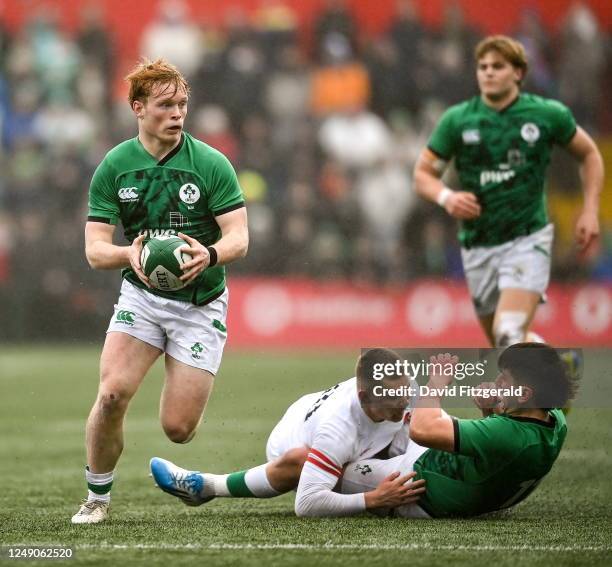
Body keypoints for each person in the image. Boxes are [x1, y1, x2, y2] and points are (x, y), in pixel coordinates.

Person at [71, 59, 248, 524]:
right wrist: (132, 254)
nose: (178, 113)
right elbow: (94, 250)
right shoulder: (115, 166)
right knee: (111, 395)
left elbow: (239, 238)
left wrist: (208, 255)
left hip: (200, 303)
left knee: (178, 429)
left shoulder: (210, 163)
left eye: (183, 104)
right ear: (138, 108)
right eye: (166, 105)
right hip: (141, 299)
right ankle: (97, 498)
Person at [413, 35, 604, 347]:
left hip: (527, 239)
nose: (488, 72)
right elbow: (423, 175)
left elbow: (590, 154)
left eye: (497, 66)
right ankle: (557, 368)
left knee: (509, 330)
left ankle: (550, 381)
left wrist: (590, 210)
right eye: (483, 66)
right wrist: (447, 197)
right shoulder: (457, 120)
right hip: (477, 246)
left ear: (518, 73)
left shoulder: (547, 114)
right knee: (504, 346)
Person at [150, 348, 425, 516]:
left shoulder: (404, 389)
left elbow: (424, 429)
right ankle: (207, 486)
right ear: (364, 397)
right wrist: (373, 499)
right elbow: (307, 504)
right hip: (292, 443)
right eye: (393, 396)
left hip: (333, 423)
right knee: (306, 461)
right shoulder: (338, 429)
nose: (403, 400)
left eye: (404, 392)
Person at [340, 344, 571, 518]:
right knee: (400, 417)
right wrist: (492, 411)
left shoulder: (508, 434)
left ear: (525, 395)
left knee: (341, 473)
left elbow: (422, 430)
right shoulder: (555, 420)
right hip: (460, 476)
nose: (498, 381)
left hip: (420, 488)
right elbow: (499, 454)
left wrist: (436, 382)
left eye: (505, 379)